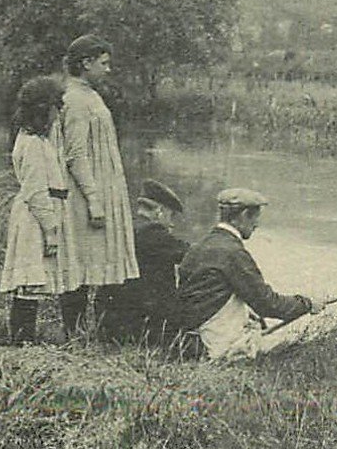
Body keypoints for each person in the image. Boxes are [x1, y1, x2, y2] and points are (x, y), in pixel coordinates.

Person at [174, 188, 323, 360]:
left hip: (191, 339)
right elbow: (268, 304)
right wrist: (308, 304)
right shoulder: (233, 252)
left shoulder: (200, 246)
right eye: (255, 217)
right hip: (214, 344)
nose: (256, 224)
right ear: (244, 215)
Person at [55, 35, 138, 339]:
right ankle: (73, 333)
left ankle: (95, 332)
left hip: (101, 188)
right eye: (103, 63)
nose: (109, 69)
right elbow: (75, 155)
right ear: (85, 63)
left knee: (99, 261)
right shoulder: (75, 99)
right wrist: (93, 199)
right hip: (84, 194)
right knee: (81, 262)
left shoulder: (89, 95)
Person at [0, 76, 67, 344]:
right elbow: (36, 191)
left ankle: (24, 338)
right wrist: (51, 230)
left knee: (33, 280)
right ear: (43, 109)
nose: (57, 113)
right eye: (55, 107)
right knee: (29, 280)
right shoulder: (33, 145)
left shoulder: (37, 141)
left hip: (39, 212)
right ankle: (22, 340)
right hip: (34, 217)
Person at [96, 179, 191, 347]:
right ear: (160, 211)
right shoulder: (153, 233)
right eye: (171, 216)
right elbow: (192, 255)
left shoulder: (126, 228)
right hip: (141, 330)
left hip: (111, 324)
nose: (172, 223)